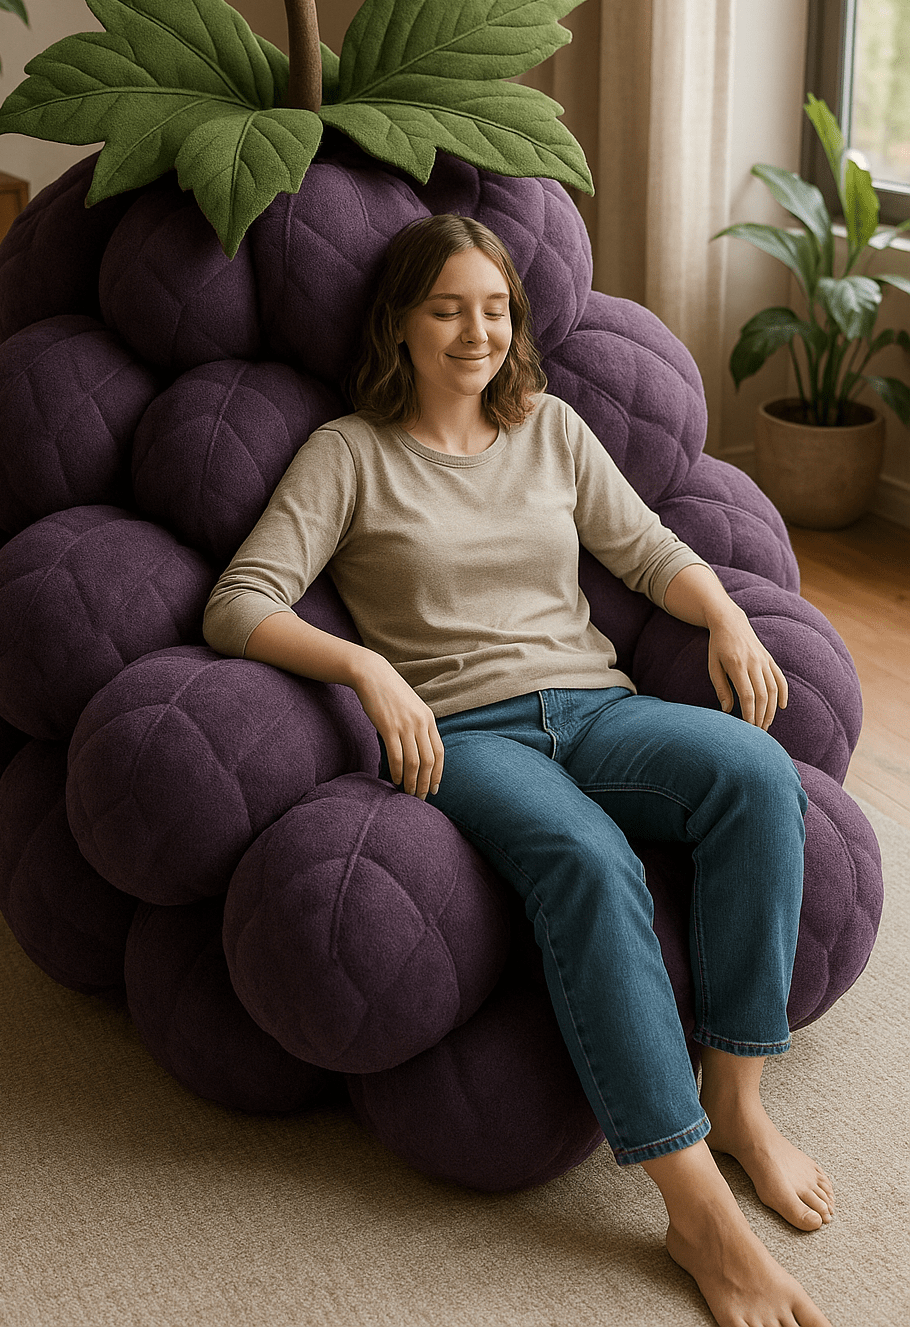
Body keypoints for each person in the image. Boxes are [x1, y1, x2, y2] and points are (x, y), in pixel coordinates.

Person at [203, 213, 835, 1327]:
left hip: (594, 706)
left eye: (494, 309)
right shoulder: (348, 452)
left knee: (755, 774)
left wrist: (728, 615)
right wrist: (364, 667)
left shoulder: (550, 428)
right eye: (447, 307)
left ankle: (735, 1099)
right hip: (465, 735)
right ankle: (694, 1211)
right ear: (399, 322)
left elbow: (644, 548)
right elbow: (237, 602)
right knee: (588, 863)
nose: (475, 331)